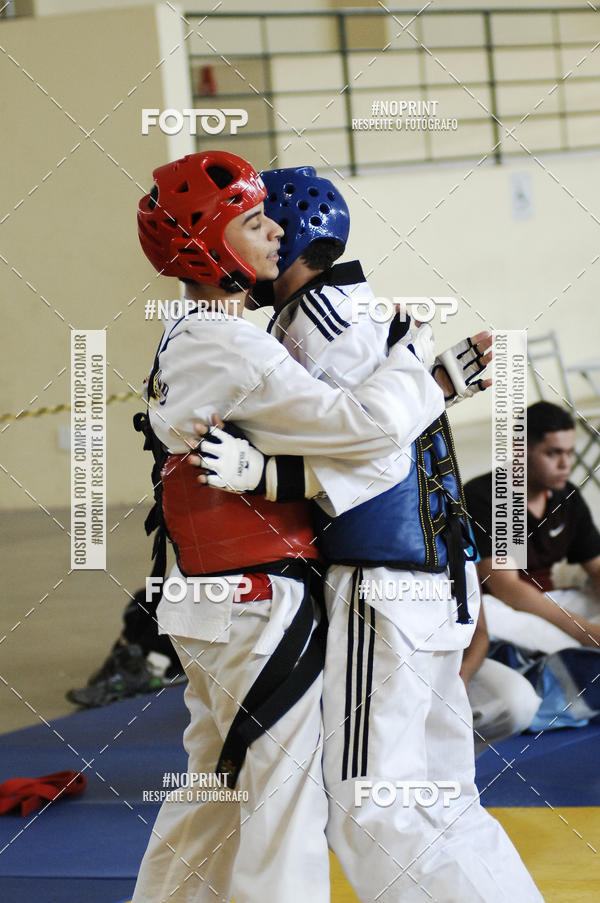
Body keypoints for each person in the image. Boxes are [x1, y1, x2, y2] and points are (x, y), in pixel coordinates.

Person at [192, 166, 543, 902]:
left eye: (260, 228)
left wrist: (266, 473)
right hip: (441, 582)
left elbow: (371, 444)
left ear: (289, 237)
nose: (254, 244)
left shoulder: (311, 328)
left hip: (383, 587)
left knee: (365, 804)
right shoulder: (369, 313)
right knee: (442, 802)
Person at [130, 150, 445, 903]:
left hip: (215, 600)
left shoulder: (193, 337)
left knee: (215, 795)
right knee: (283, 807)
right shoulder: (232, 344)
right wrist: (420, 367)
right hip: (255, 604)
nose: (276, 230)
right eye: (252, 219)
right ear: (207, 244)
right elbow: (365, 429)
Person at [465, 401, 600, 652]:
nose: (565, 464)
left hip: (548, 600)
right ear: (520, 451)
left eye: (570, 452)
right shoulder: (484, 497)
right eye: (553, 453)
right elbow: (508, 589)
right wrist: (586, 632)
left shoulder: (566, 496)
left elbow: (596, 566)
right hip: (497, 608)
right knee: (571, 645)